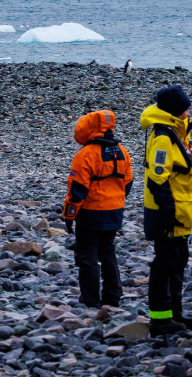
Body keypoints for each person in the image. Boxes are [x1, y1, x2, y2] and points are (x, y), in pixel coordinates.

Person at [140, 86, 192, 336]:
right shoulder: (164, 136)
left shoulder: (175, 132)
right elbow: (158, 178)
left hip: (179, 209)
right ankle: (161, 318)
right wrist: (167, 210)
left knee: (179, 259)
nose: (189, 112)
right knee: (165, 262)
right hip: (167, 211)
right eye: (185, 108)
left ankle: (175, 312)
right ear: (174, 111)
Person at [62, 109, 133, 309]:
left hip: (90, 212)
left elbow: (77, 189)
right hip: (114, 211)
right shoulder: (122, 151)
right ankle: (113, 297)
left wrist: (69, 215)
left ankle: (91, 300)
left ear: (87, 128)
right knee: (107, 252)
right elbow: (127, 183)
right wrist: (115, 200)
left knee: (87, 256)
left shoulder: (86, 154)